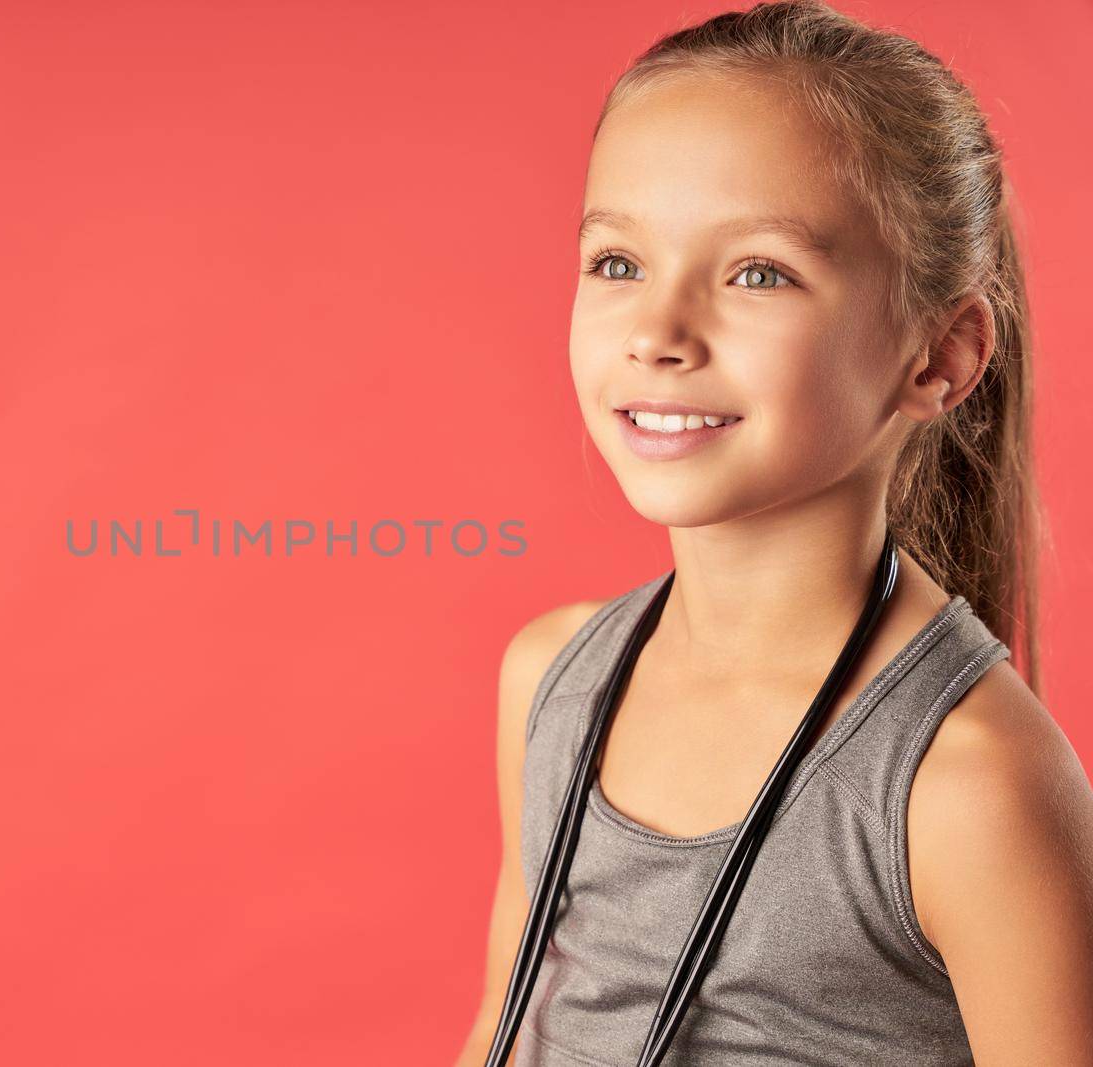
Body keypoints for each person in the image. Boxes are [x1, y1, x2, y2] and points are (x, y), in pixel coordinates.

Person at [453, 2, 1093, 1064]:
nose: (658, 334)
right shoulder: (551, 676)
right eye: (617, 262)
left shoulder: (967, 778)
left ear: (939, 354)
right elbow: (504, 1027)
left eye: (758, 272)